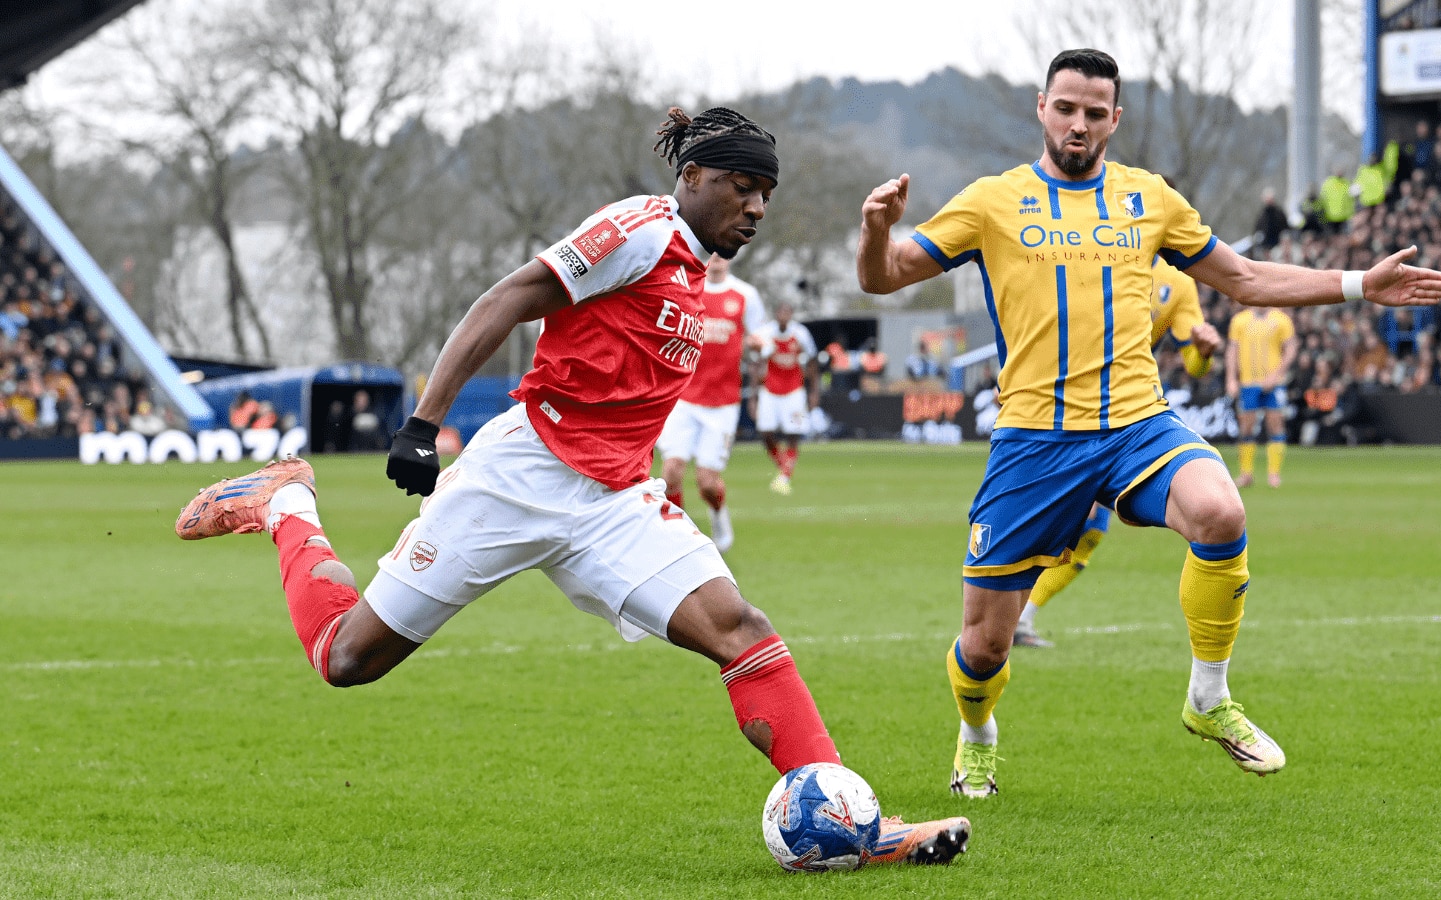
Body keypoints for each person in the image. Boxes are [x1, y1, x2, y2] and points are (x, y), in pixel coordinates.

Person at [175, 106, 969, 864]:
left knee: (741, 629)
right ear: (693, 177)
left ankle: (855, 826)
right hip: (517, 479)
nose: (757, 207)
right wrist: (422, 423)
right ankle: (287, 503)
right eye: (743, 187)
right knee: (347, 658)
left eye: (767, 194)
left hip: (615, 501)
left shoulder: (698, 270)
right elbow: (510, 297)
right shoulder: (640, 230)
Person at [855, 49, 1441, 797]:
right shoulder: (991, 202)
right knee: (984, 645)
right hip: (1035, 441)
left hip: (1136, 423)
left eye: (1094, 112)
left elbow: (1244, 278)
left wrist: (1359, 282)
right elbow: (883, 276)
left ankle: (1209, 696)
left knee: (1220, 510)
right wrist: (875, 230)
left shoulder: (1149, 199)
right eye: (1065, 108)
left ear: (1115, 119)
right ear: (1041, 108)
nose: (1078, 124)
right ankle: (977, 733)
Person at [1014, 253, 1223, 649]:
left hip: (1120, 412)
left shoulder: (1177, 282)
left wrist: (1204, 351)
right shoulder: (1091, 250)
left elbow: (1195, 366)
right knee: (1056, 523)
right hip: (1059, 404)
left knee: (1088, 528)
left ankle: (1015, 620)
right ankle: (999, 620)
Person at [655, 252, 766, 552]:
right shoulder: (688, 287)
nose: (717, 257)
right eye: (712, 250)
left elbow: (760, 341)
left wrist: (758, 346)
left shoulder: (745, 294)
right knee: (671, 472)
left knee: (707, 483)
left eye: (723, 252)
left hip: (723, 402)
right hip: (683, 397)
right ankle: (679, 536)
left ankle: (718, 515)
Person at [1227, 306, 1298, 488]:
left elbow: (1291, 348)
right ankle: (1246, 474)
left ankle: (1274, 474)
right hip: (1248, 382)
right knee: (1246, 426)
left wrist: (1276, 375)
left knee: (1275, 423)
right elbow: (1232, 350)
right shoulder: (1240, 320)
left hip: (1274, 383)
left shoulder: (1281, 319)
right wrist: (1231, 379)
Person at [752, 301, 818, 495]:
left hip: (794, 391)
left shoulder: (801, 333)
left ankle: (784, 476)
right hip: (770, 390)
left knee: (794, 434)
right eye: (781, 312)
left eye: (787, 312)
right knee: (766, 433)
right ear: (776, 314)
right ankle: (784, 468)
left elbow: (812, 361)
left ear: (791, 314)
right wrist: (753, 397)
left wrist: (814, 391)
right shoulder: (765, 333)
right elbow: (756, 363)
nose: (783, 316)